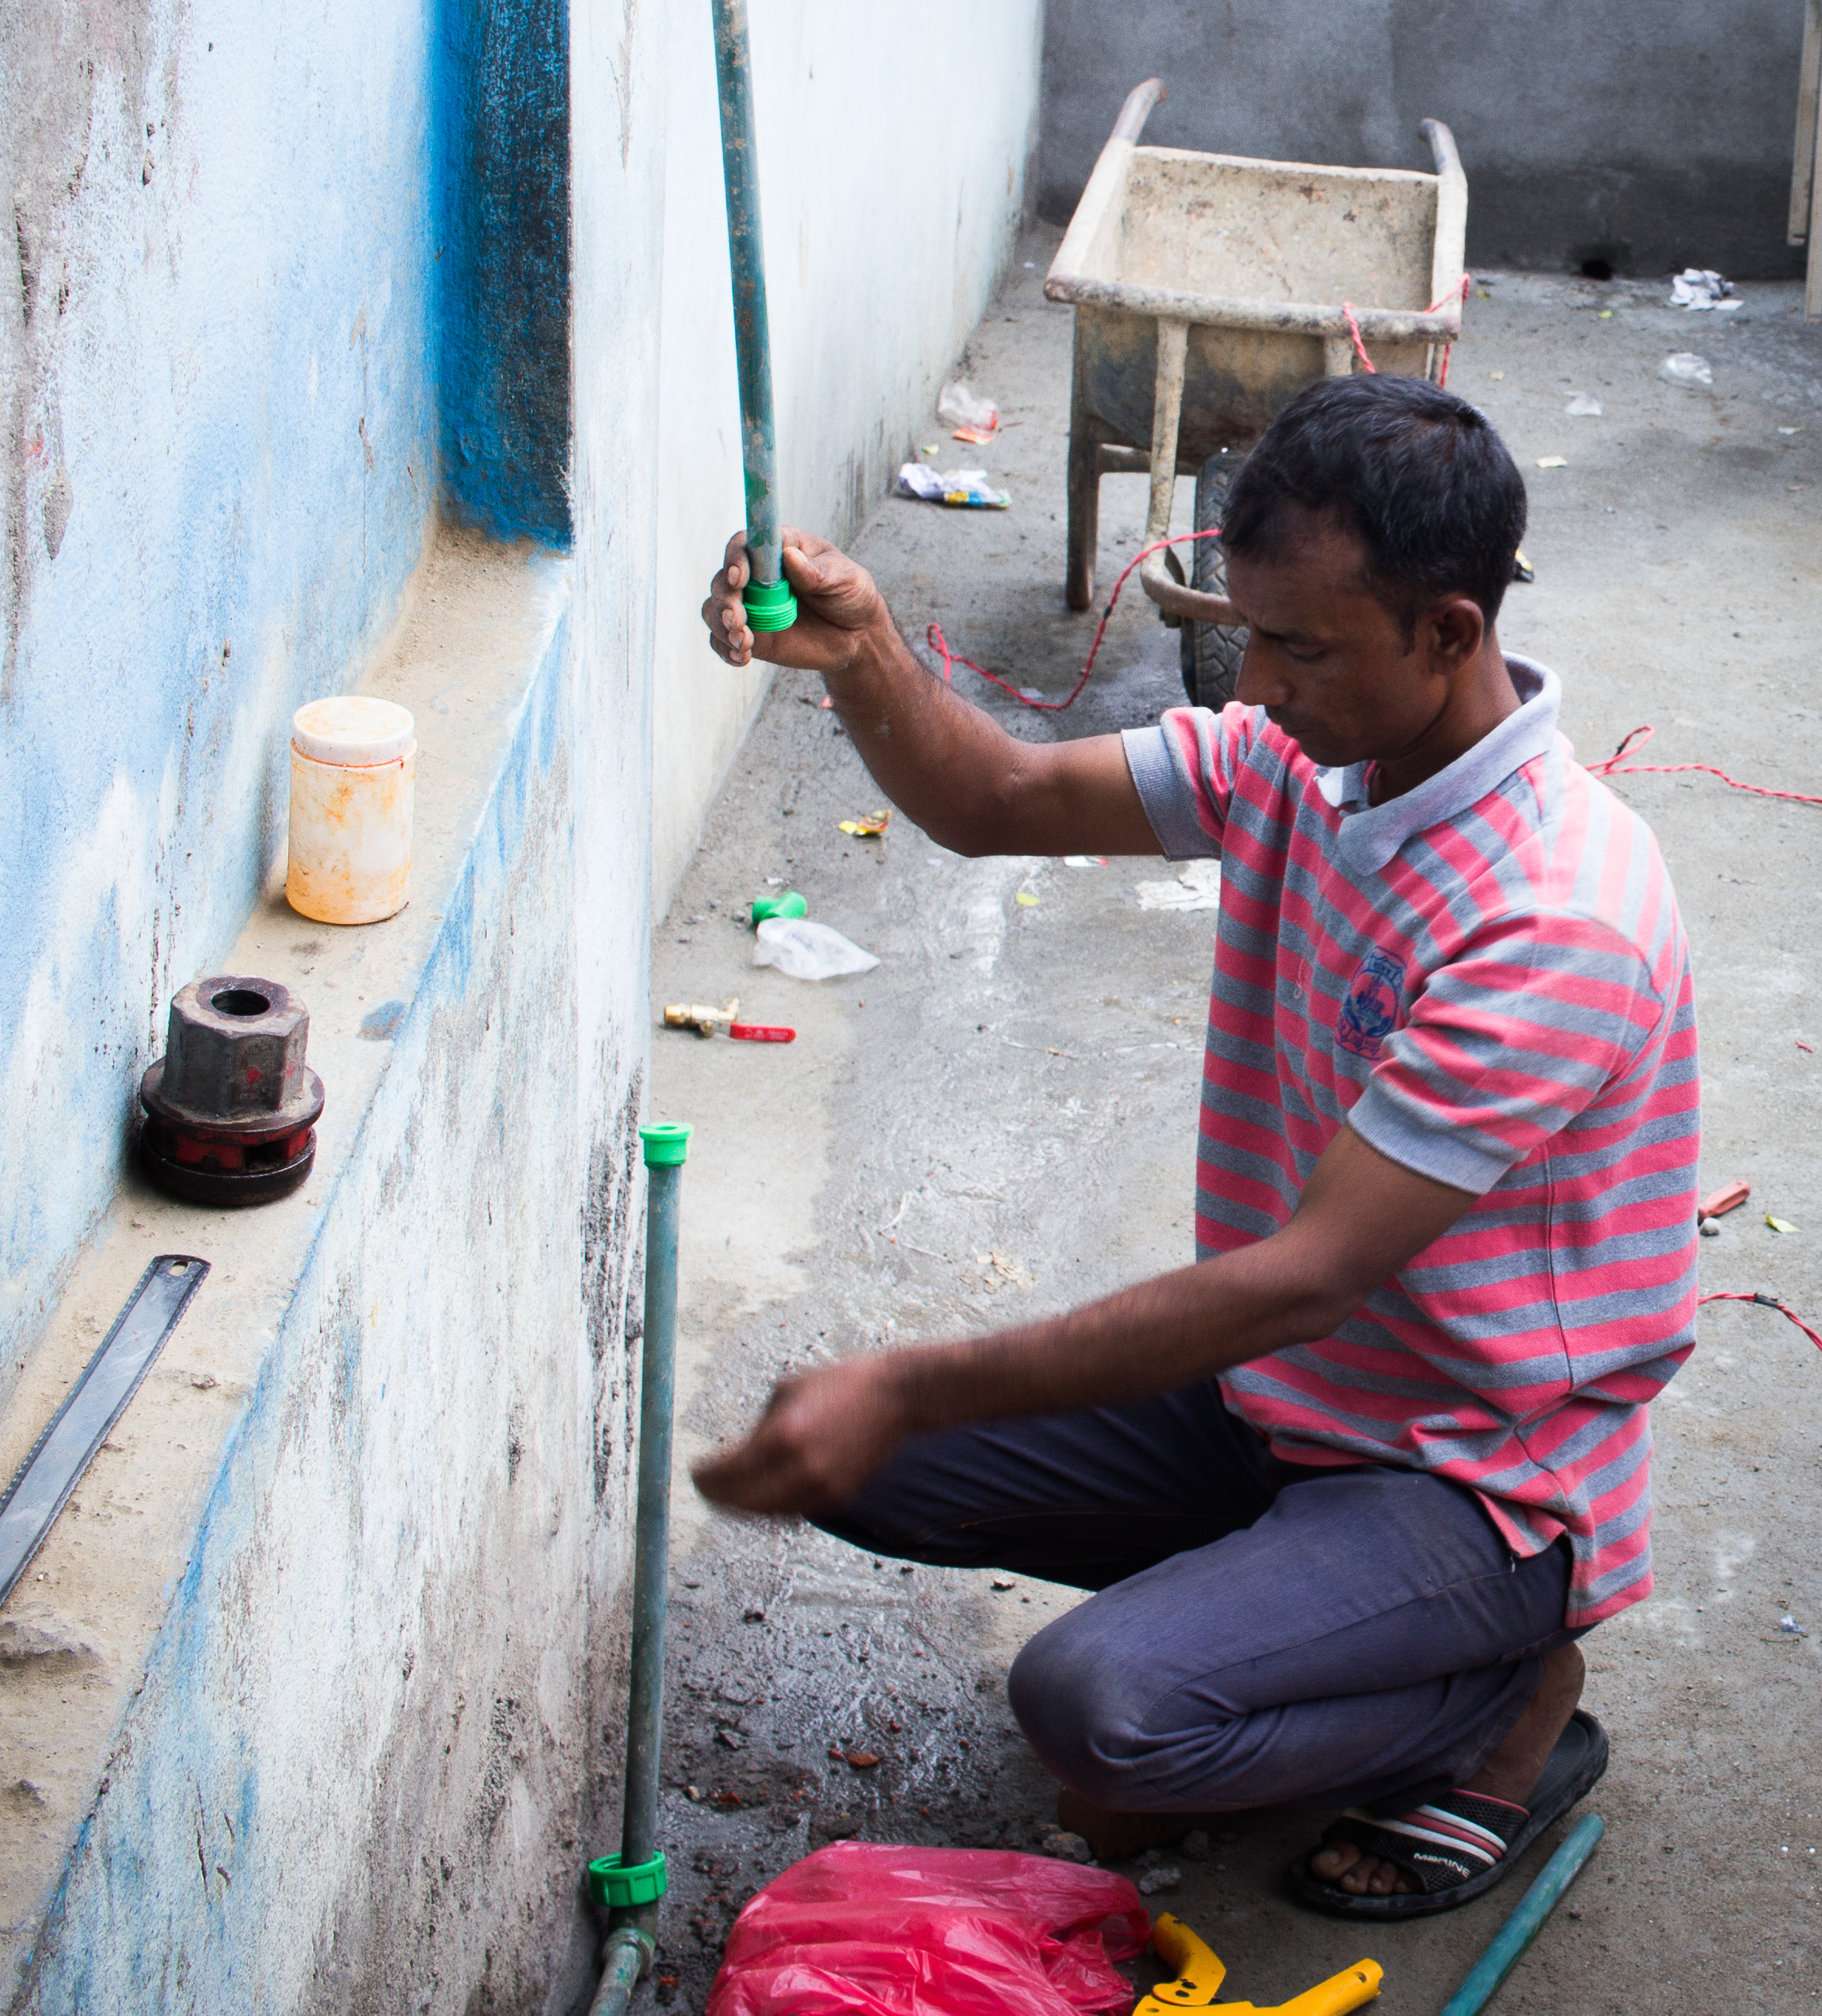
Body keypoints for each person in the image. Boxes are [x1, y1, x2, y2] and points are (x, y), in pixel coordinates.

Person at [690, 375, 1697, 1920]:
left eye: (1299, 645)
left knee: (1105, 1711)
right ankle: (1300, 1603)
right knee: (865, 1459)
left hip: (1475, 1475)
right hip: (1285, 1407)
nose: (1257, 677)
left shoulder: (1552, 914)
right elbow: (991, 793)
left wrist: (914, 1374)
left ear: (1445, 632)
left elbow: (1306, 1278)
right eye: (1250, 629)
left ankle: (1503, 1703)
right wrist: (867, 649)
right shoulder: (1306, 757)